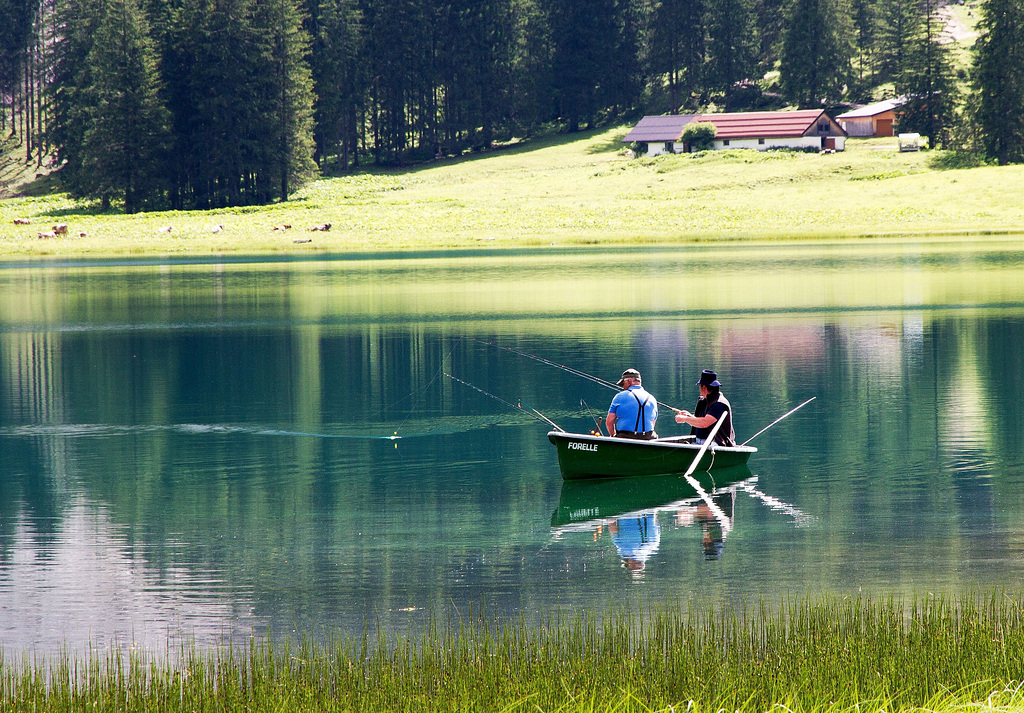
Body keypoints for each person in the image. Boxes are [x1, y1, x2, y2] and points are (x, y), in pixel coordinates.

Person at [674, 369, 736, 446]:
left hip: (717, 443)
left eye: (700, 386)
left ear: (704, 387)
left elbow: (705, 422)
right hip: (700, 442)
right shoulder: (704, 400)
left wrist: (684, 419)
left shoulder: (719, 404)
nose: (699, 389)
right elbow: (701, 421)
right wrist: (689, 416)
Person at [605, 368, 658, 439]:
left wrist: (613, 436)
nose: (623, 387)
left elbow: (609, 422)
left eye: (623, 383)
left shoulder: (619, 397)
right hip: (649, 437)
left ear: (629, 381)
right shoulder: (652, 398)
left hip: (625, 437)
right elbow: (652, 423)